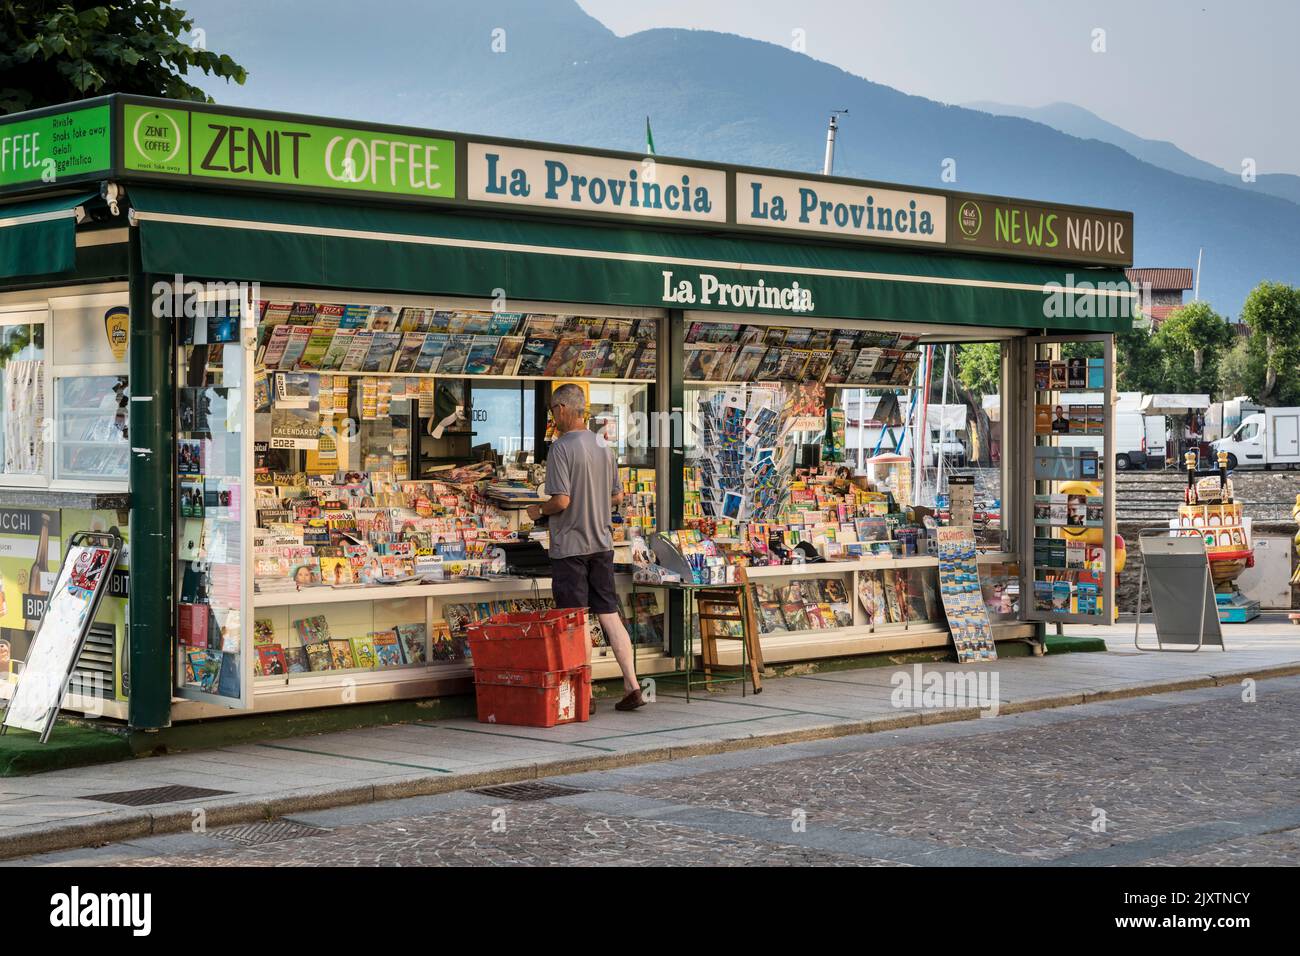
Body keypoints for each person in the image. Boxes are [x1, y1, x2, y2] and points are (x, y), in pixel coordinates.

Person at [527, 383, 645, 711]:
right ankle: (632, 685)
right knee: (609, 614)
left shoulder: (561, 448)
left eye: (553, 410)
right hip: (602, 544)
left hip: (571, 547)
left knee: (575, 620)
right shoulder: (602, 445)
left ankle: (585, 693)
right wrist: (593, 502)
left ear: (564, 409)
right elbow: (617, 495)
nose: (552, 417)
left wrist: (539, 510)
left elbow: (561, 501)